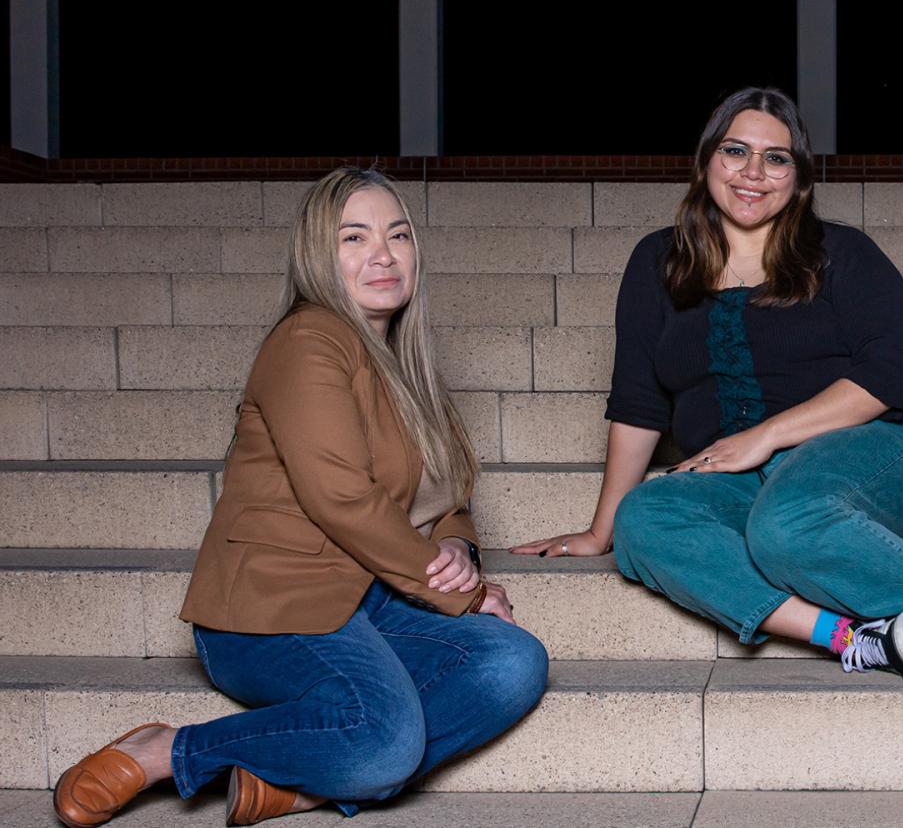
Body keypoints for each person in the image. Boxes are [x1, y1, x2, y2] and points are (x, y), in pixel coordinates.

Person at [512, 87, 903, 677]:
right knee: (643, 518)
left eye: (776, 158)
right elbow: (639, 402)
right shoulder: (658, 262)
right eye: (735, 151)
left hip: (863, 454)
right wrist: (603, 529)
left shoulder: (844, 254)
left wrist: (768, 435)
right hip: (737, 482)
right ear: (705, 162)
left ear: (797, 177)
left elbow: (887, 376)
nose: (754, 173)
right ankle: (853, 638)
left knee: (785, 523)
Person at [53, 168, 547, 828]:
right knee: (383, 741)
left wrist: (456, 543)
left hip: (369, 594)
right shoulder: (308, 340)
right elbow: (340, 497)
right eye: (355, 237)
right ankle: (169, 751)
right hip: (268, 606)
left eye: (398, 235)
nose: (383, 254)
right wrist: (466, 594)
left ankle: (304, 783)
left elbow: (448, 490)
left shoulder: (405, 362)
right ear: (319, 254)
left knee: (513, 662)